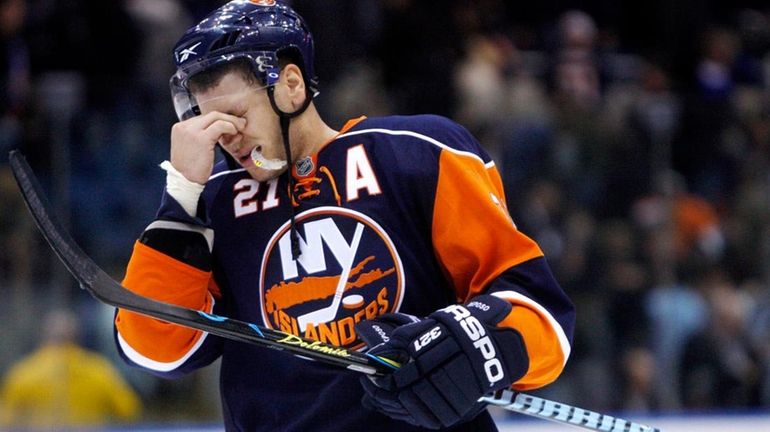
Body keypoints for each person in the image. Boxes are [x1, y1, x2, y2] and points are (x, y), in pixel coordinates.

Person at [113, 1, 575, 430]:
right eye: (209, 123)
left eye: (236, 115)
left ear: (291, 86)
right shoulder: (212, 201)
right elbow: (153, 349)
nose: (226, 138)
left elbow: (543, 319)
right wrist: (179, 201)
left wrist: (479, 343)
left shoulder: (418, 153)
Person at [1, 309, 141, 429]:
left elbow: (6, 421)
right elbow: (129, 412)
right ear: (76, 336)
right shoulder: (98, 370)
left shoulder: (24, 372)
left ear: (43, 335)